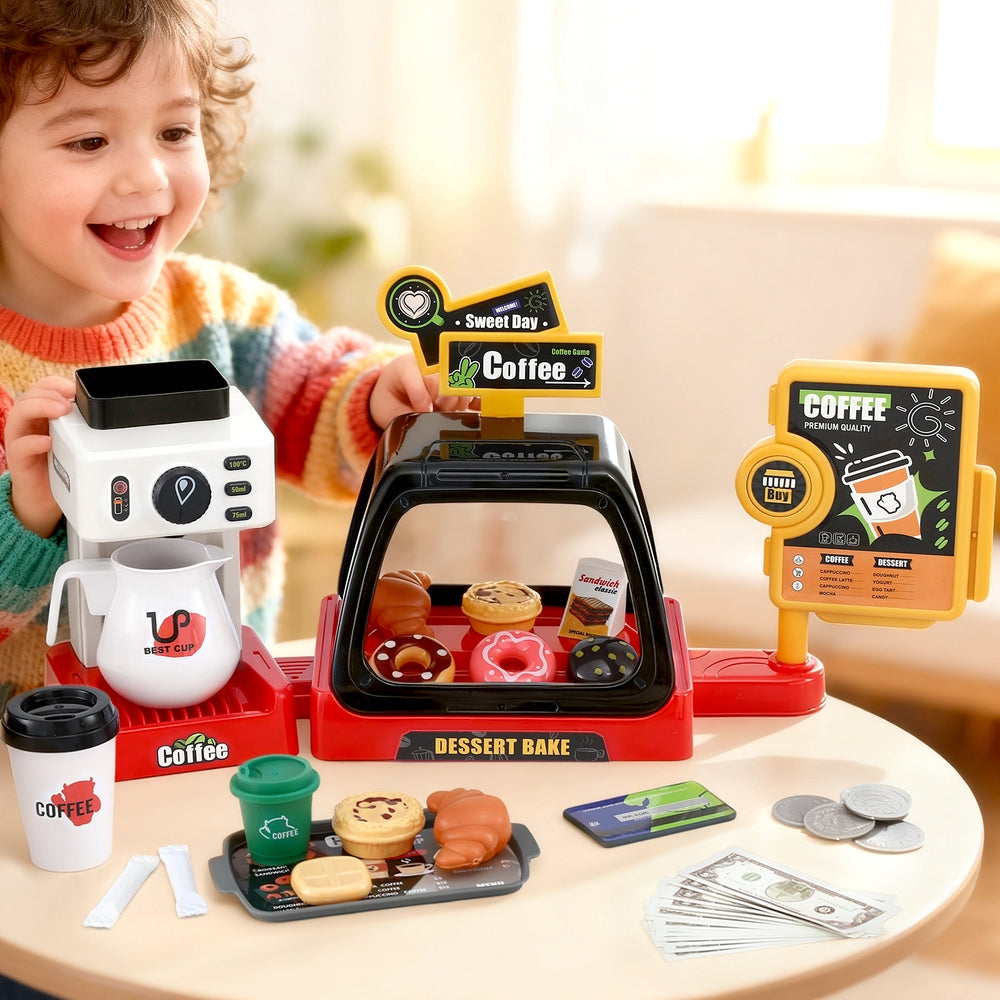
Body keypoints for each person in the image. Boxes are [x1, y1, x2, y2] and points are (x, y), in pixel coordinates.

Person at [0, 0, 465, 712]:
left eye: (175, 131)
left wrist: (378, 400)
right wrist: (28, 515)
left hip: (222, 724)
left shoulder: (222, 312)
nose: (148, 178)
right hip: (43, 767)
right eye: (89, 142)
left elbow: (317, 402)